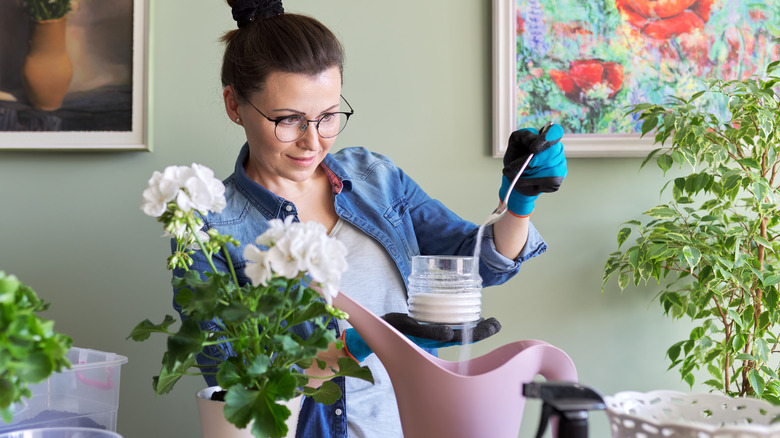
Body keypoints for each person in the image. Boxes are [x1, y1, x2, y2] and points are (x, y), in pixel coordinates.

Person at [176, 0, 567, 437]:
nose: (312, 141)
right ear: (234, 105)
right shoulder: (209, 226)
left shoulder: (374, 178)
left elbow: (472, 265)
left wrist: (519, 203)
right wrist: (360, 344)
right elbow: (236, 386)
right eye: (288, 120)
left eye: (327, 117)